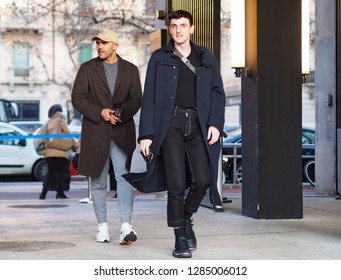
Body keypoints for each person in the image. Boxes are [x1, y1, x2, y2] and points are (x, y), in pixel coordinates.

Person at [138, 10, 226, 258]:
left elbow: (217, 92)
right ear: (170, 29)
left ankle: (185, 218)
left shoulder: (205, 56)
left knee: (203, 180)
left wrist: (215, 124)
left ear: (192, 29)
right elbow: (150, 98)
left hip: (199, 123)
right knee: (176, 184)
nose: (178, 30)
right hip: (171, 124)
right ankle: (179, 238)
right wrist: (146, 134)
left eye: (183, 25)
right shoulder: (159, 58)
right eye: (174, 26)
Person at [71, 29, 142, 245]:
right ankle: (102, 226)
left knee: (124, 178)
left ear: (115, 45)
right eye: (98, 43)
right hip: (96, 132)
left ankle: (125, 226)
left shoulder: (130, 70)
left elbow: (136, 99)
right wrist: (100, 111)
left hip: (121, 132)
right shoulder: (87, 69)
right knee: (98, 180)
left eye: (104, 43)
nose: (99, 46)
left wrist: (120, 113)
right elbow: (78, 98)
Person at [39, 104, 79, 199]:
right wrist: (77, 145)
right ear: (60, 111)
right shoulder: (61, 121)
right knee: (61, 173)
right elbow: (68, 136)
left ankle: (43, 193)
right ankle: (60, 193)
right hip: (60, 152)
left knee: (50, 172)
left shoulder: (48, 122)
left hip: (48, 152)